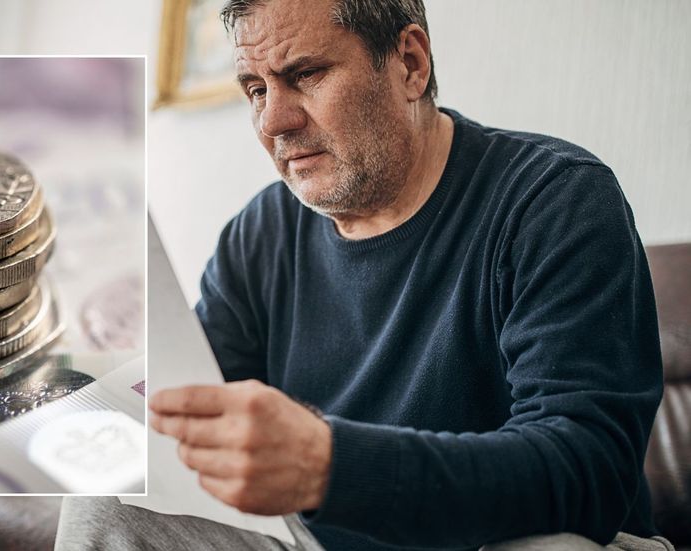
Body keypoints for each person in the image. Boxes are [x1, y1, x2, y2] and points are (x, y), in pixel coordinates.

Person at [56, 0, 672, 549]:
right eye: (254, 89)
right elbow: (184, 427)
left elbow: (590, 472)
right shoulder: (260, 232)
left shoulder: (553, 199)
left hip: (497, 537)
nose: (274, 121)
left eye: (305, 74)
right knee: (107, 505)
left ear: (409, 63)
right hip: (315, 538)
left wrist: (332, 466)